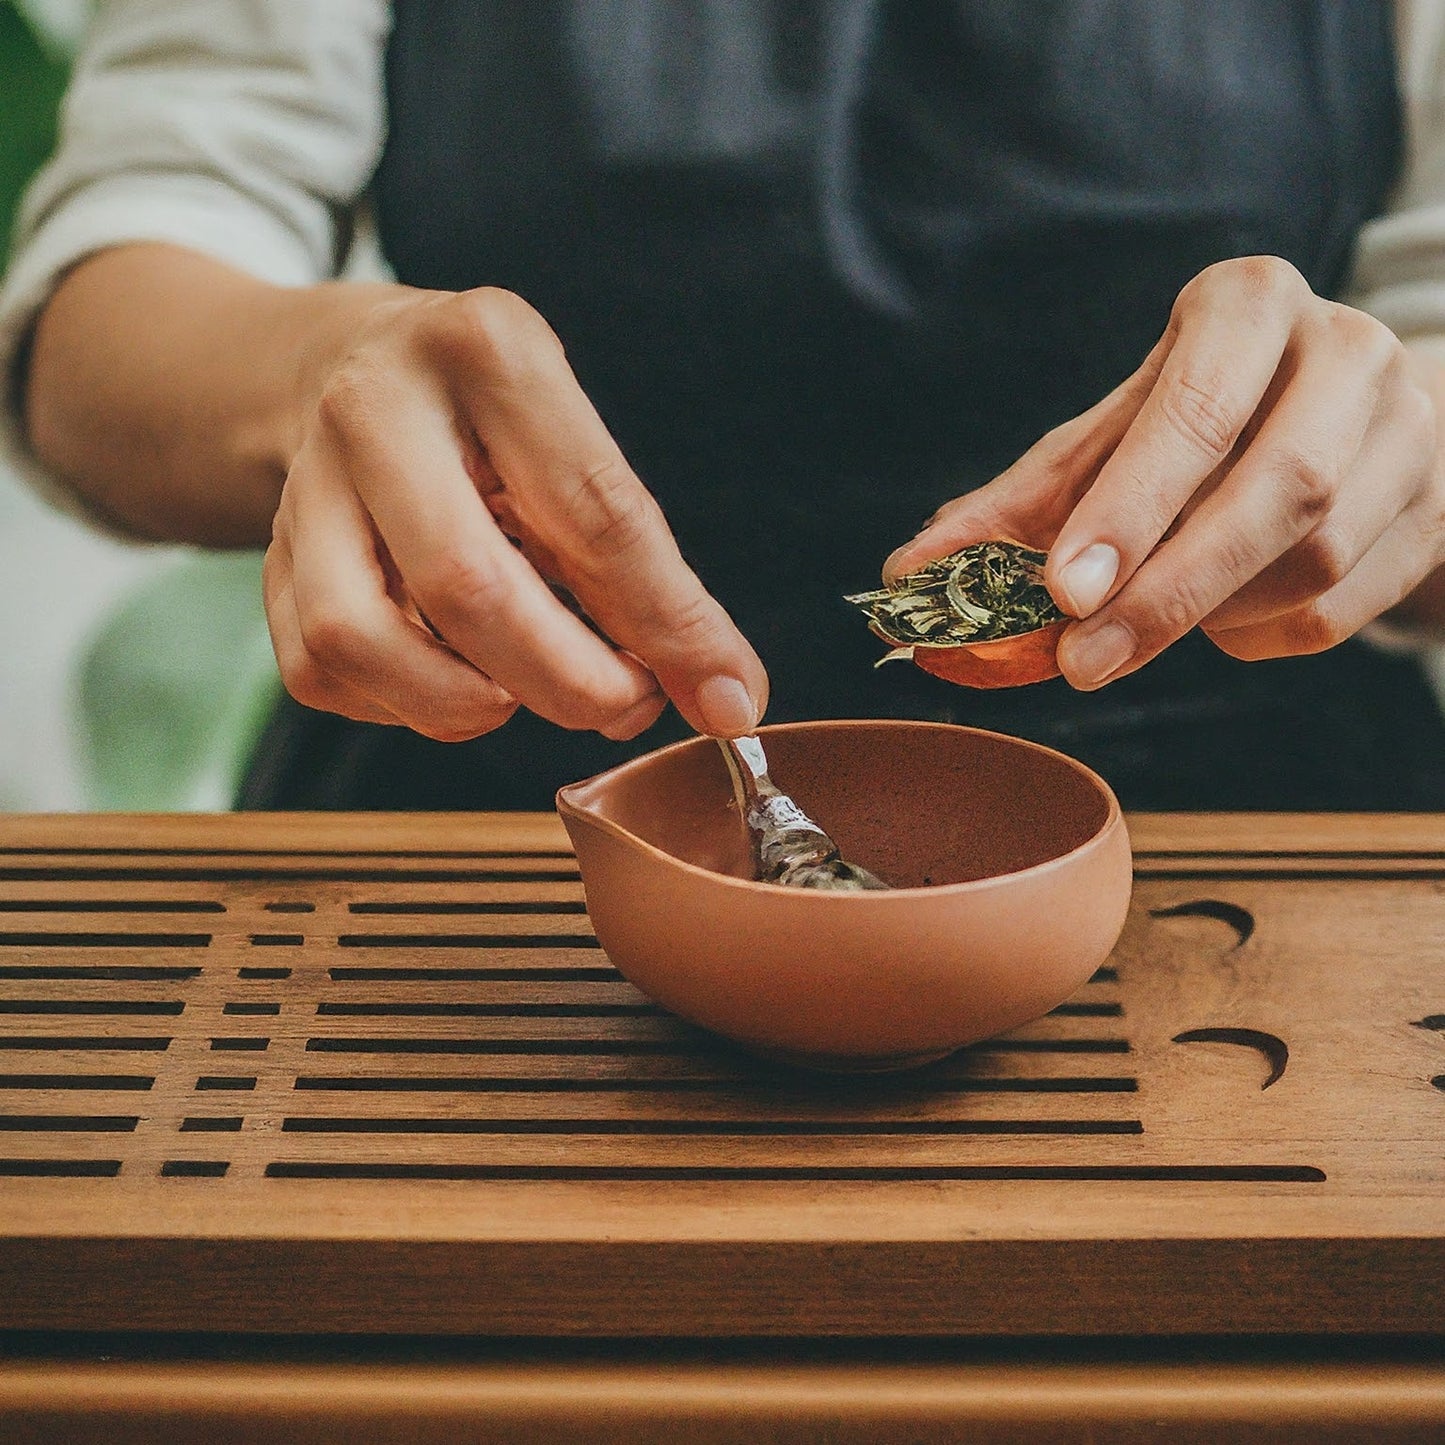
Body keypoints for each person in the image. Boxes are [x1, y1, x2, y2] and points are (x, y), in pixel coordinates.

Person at [3, 1, 1445, 811]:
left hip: (1249, 837)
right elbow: (122, 292)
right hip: (487, 822)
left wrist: (1402, 452)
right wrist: (318, 373)